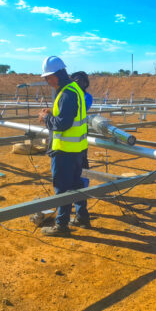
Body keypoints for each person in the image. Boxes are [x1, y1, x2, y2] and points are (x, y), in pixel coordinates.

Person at [37, 56, 90, 236]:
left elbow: (64, 123)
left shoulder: (66, 93)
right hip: (77, 150)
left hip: (65, 151)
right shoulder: (74, 89)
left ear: (56, 75)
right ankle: (82, 217)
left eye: (47, 77)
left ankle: (61, 225)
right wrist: (52, 113)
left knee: (62, 189)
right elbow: (70, 116)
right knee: (76, 185)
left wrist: (46, 119)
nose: (46, 81)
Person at [71, 71, 93, 219]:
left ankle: (81, 205)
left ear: (85, 83)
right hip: (67, 144)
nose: (77, 82)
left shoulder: (86, 97)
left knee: (82, 173)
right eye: (74, 80)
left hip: (80, 143)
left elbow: (79, 108)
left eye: (79, 80)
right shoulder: (69, 95)